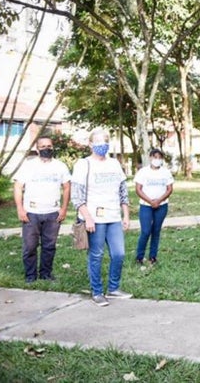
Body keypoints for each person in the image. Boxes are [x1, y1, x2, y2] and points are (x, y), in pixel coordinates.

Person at [71, 128, 132, 306]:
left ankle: (113, 288)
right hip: (94, 218)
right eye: (98, 142)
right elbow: (77, 196)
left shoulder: (114, 164)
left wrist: (126, 215)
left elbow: (123, 191)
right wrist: (87, 218)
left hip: (113, 216)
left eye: (105, 141)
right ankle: (97, 292)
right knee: (96, 255)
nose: (102, 145)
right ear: (90, 144)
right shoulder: (83, 164)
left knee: (119, 253)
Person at [14, 136, 71, 283]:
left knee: (49, 246)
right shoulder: (28, 165)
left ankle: (46, 274)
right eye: (43, 146)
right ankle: (30, 276)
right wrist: (20, 209)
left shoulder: (60, 166)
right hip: (31, 213)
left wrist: (64, 209)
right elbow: (18, 187)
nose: (47, 149)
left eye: (49, 146)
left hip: (53, 213)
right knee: (30, 247)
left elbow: (67, 187)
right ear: (37, 149)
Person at [134, 148, 174, 265]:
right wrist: (150, 201)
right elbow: (138, 189)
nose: (157, 160)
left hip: (162, 206)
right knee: (146, 231)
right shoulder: (143, 172)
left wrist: (159, 200)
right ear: (150, 157)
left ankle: (153, 257)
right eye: (155, 157)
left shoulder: (166, 172)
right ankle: (139, 257)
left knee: (156, 231)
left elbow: (169, 189)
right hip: (146, 206)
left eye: (160, 158)